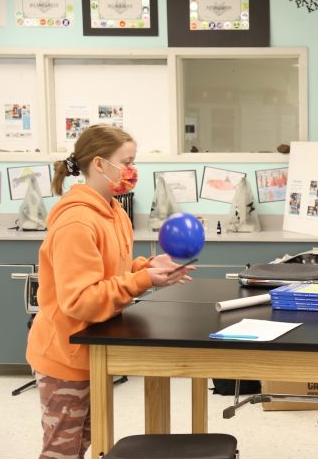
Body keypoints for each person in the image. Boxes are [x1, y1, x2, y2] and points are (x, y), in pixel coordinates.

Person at [27, 124, 195, 459]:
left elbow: (109, 269)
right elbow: (81, 300)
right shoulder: (77, 222)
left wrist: (144, 267)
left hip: (91, 350)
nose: (133, 172)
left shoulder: (113, 211)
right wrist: (143, 281)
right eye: (127, 162)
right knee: (63, 449)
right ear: (100, 164)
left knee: (86, 440)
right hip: (64, 353)